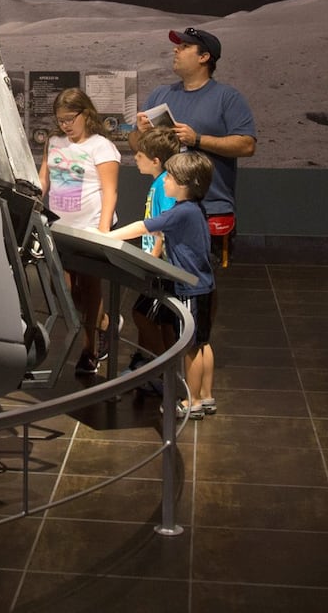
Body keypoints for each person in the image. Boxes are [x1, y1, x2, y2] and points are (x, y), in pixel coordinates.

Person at [136, 27, 256, 255]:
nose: (176, 50)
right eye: (177, 46)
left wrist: (197, 139)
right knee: (162, 278)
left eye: (184, 47)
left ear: (204, 57)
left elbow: (247, 145)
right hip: (164, 204)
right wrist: (140, 133)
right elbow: (137, 146)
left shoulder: (227, 98)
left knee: (200, 280)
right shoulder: (160, 94)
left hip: (209, 208)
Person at [39, 87, 119, 376]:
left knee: (90, 289)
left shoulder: (101, 146)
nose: (65, 125)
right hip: (60, 228)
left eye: (70, 118)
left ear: (86, 113)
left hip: (91, 228)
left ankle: (90, 351)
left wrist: (103, 231)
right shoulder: (55, 142)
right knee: (62, 289)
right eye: (60, 120)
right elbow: (43, 180)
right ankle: (106, 324)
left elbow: (110, 192)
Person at [144, 150, 218, 417]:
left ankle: (192, 401)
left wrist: (108, 234)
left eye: (170, 177)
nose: (164, 181)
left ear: (184, 184)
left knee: (190, 347)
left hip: (189, 288)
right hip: (205, 286)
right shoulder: (195, 209)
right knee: (203, 342)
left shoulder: (181, 212)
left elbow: (146, 226)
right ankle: (206, 396)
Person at [107, 125, 182, 386]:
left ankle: (161, 367)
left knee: (144, 315)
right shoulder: (159, 183)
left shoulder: (165, 184)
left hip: (161, 266)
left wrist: (153, 258)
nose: (135, 158)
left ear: (155, 160)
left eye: (138, 155)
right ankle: (160, 367)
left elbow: (164, 224)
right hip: (156, 262)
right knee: (160, 319)